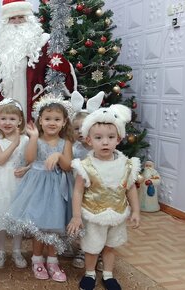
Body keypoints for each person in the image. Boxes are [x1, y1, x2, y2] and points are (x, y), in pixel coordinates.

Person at [67, 104, 141, 290]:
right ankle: (90, 274)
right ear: (89, 140)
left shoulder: (127, 164)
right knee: (92, 248)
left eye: (110, 137)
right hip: (93, 214)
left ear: (119, 138)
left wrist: (136, 211)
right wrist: (76, 216)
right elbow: (78, 191)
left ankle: (108, 275)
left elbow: (130, 188)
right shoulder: (86, 165)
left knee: (110, 246)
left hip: (117, 214)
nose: (105, 142)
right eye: (99, 138)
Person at [5, 95, 74, 282]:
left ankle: (52, 261)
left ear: (64, 122)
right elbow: (29, 158)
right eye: (48, 119)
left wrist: (59, 156)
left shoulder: (65, 142)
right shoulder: (34, 138)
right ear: (40, 121)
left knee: (54, 224)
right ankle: (37, 260)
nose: (52, 123)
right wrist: (34, 137)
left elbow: (67, 167)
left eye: (57, 119)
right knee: (39, 225)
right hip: (37, 187)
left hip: (57, 188)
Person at [0, 0, 77, 118]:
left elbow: (59, 68)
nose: (17, 22)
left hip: (32, 102)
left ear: (29, 19)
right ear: (5, 22)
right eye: (12, 18)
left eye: (21, 17)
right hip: (4, 104)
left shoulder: (42, 43)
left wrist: (61, 66)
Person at [0, 98, 29, 269]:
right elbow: (0, 160)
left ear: (20, 120)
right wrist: (14, 143)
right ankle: (1, 251)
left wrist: (26, 168)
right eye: (3, 118)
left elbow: (31, 160)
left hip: (19, 182)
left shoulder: (25, 139)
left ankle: (17, 250)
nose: (7, 122)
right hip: (1, 182)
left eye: (12, 118)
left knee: (17, 218)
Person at [69, 91, 104, 269]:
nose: (81, 133)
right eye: (77, 129)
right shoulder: (73, 148)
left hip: (95, 192)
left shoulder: (98, 149)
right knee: (80, 219)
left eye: (85, 128)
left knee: (96, 222)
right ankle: (83, 249)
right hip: (77, 190)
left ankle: (97, 253)